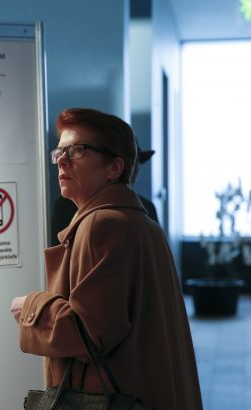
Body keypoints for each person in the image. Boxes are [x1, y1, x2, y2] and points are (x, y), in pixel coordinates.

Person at [11, 108, 202, 409]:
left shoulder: (101, 224)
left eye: (77, 150)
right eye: (60, 151)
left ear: (114, 168)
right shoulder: (139, 222)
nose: (62, 160)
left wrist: (32, 307)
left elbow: (88, 333)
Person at [50, 142, 158, 246]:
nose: (130, 169)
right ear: (115, 166)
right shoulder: (67, 206)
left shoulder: (147, 207)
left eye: (134, 162)